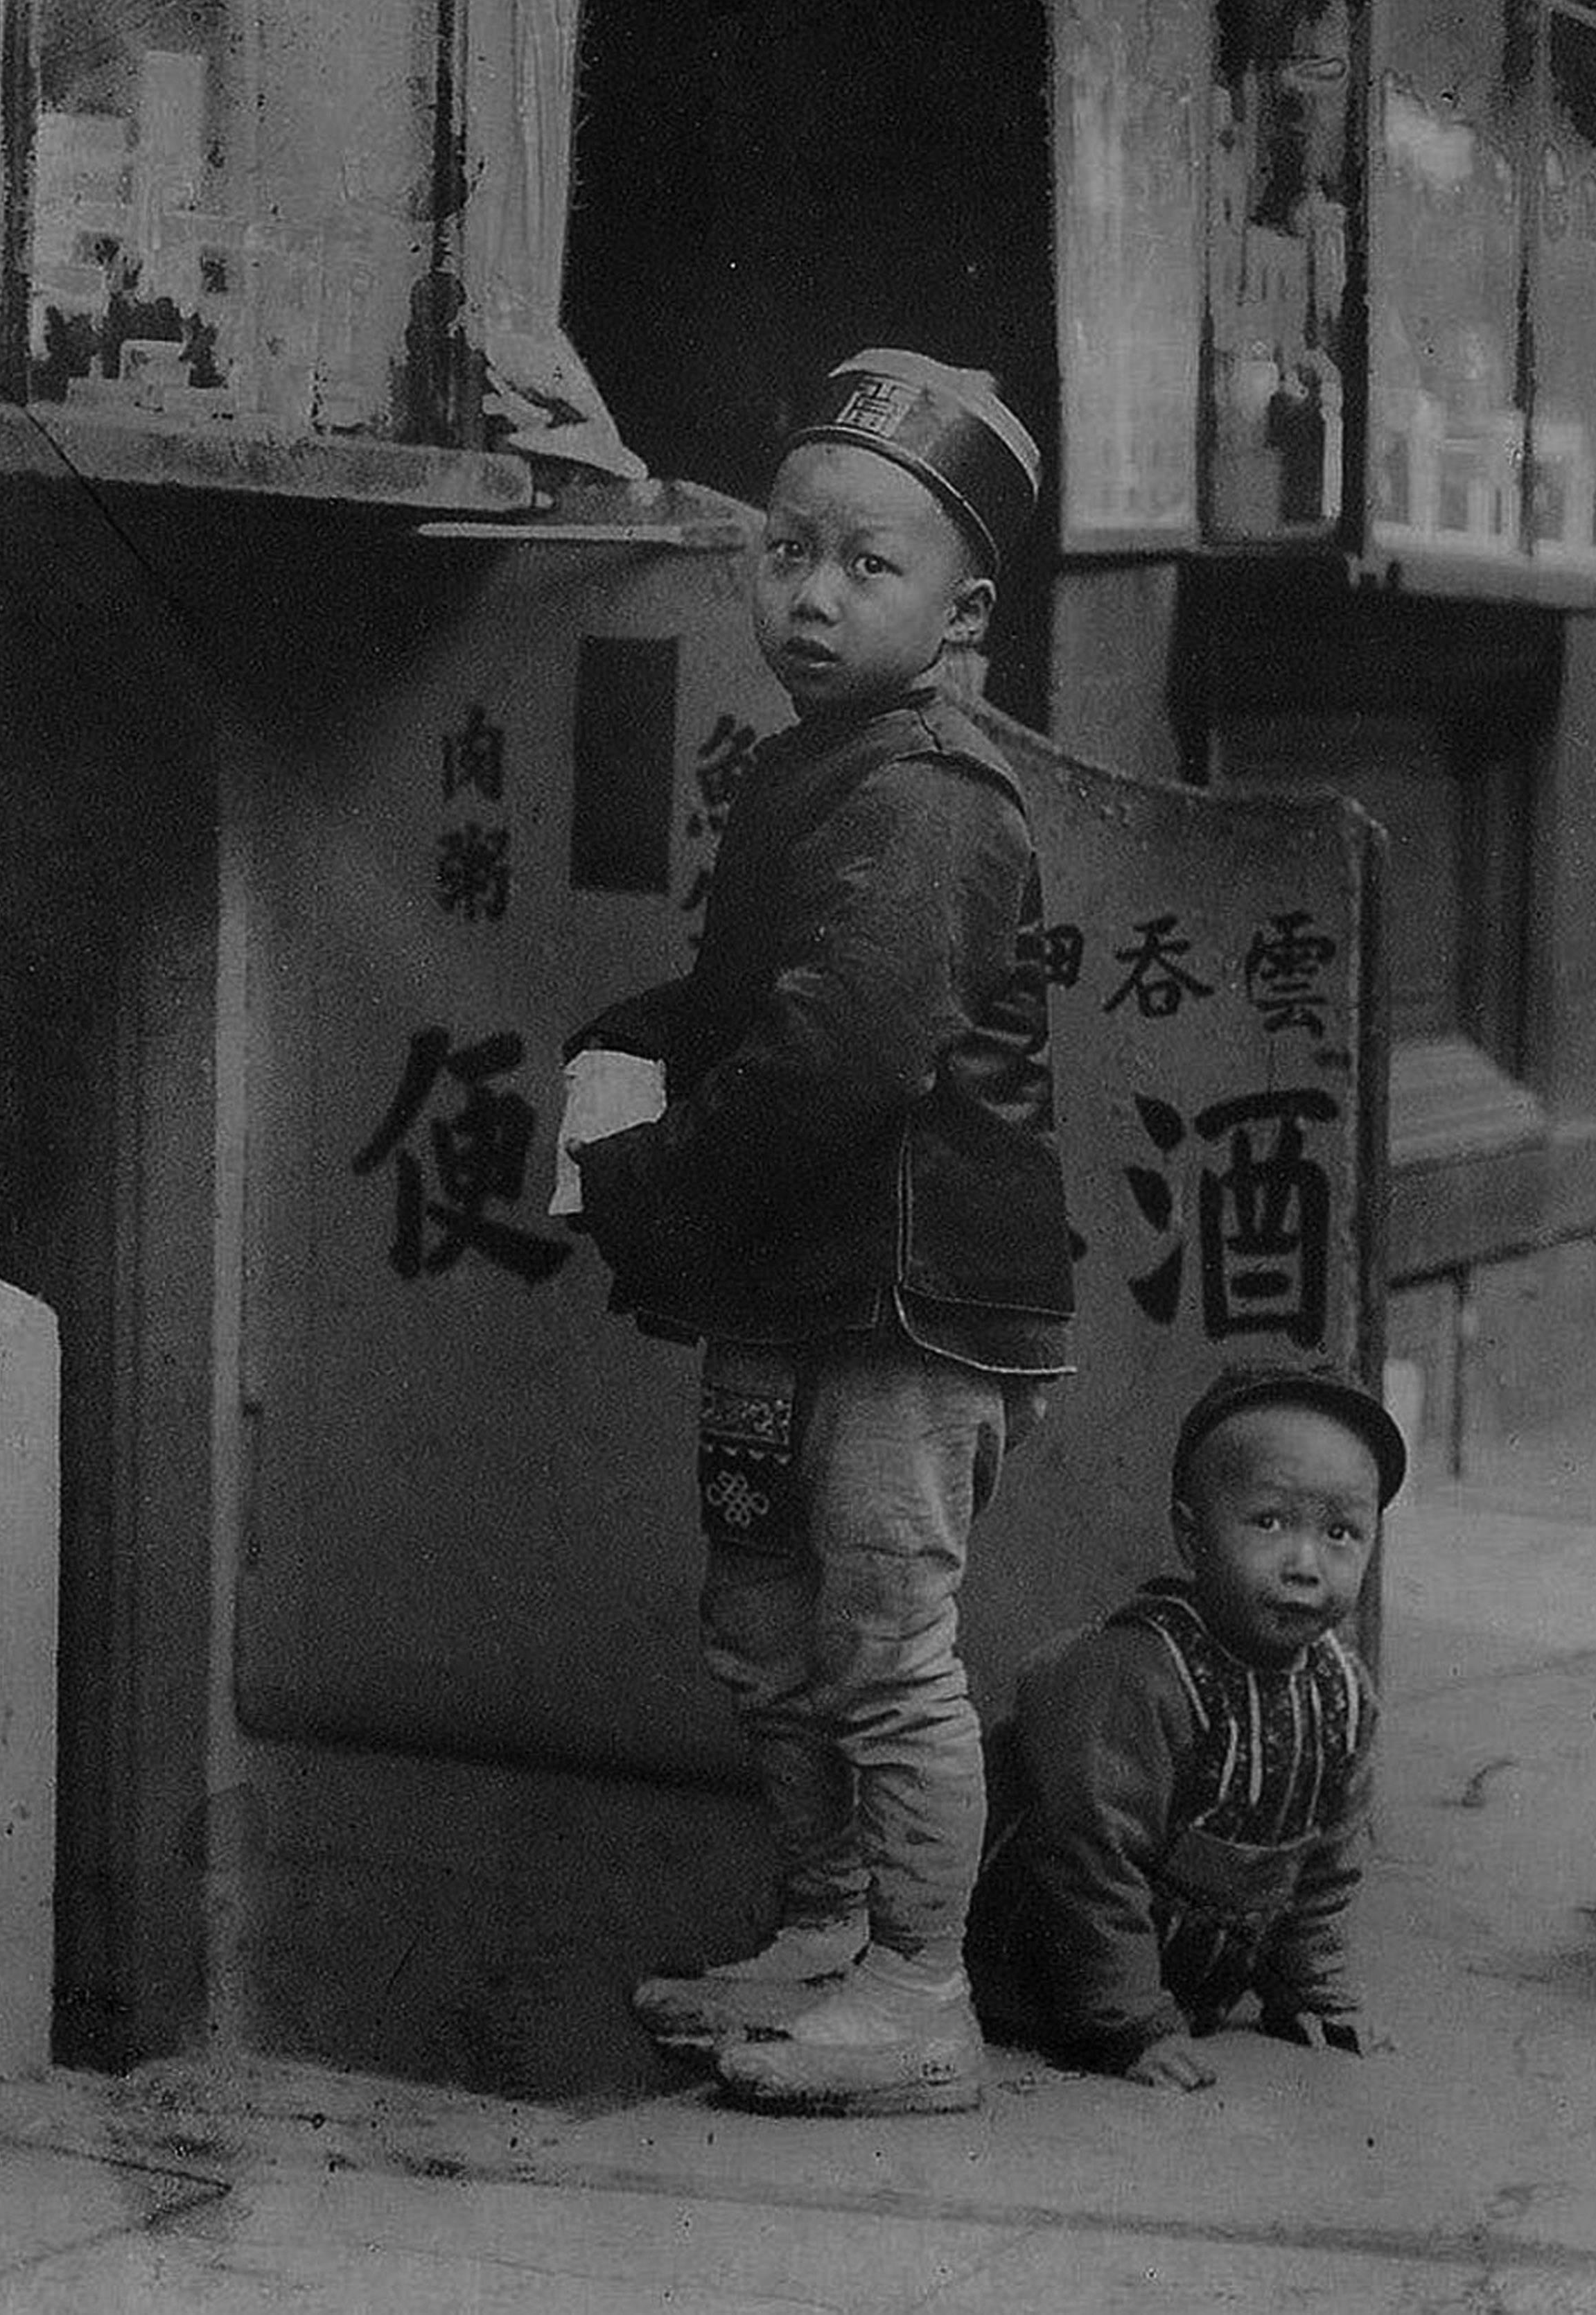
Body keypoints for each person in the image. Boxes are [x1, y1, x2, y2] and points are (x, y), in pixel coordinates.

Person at [563, 349, 1075, 2116]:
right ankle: (820, 1930)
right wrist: (634, 1041)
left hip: (908, 1299)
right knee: (763, 1620)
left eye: (869, 564)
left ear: (959, 609)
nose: (811, 594)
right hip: (796, 1274)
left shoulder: (930, 789)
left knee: (878, 1643)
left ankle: (918, 1994)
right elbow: (750, 1004)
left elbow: (844, 1048)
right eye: (788, 551)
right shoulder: (823, 762)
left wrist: (644, 1185)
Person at [968, 1365, 1405, 2090]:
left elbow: (1325, 1866)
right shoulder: (1140, 1673)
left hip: (1182, 1985)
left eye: (1340, 1532)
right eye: (1267, 1522)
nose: (1304, 1563)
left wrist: (1312, 1991)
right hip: (1035, 1981)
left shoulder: (1342, 1693)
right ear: (1190, 1533)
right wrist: (1126, 2023)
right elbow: (1090, 1858)